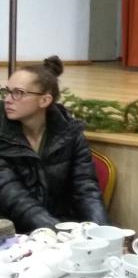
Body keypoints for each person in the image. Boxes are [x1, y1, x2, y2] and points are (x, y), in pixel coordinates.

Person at [0, 56, 108, 234]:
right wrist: (59, 233)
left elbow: (86, 190)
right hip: (12, 231)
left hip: (62, 226)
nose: (8, 99)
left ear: (44, 100)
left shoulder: (70, 134)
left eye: (18, 92)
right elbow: (14, 198)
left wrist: (102, 233)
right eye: (7, 91)